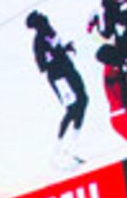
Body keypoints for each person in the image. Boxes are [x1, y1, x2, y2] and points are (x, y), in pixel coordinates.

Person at [25, 12, 92, 143]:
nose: (45, 16)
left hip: (69, 70)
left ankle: (73, 144)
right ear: (38, 24)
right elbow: (42, 66)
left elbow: (58, 50)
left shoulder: (51, 32)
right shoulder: (39, 41)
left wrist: (65, 49)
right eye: (41, 17)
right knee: (72, 108)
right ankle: (59, 147)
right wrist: (58, 56)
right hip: (58, 76)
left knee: (83, 100)